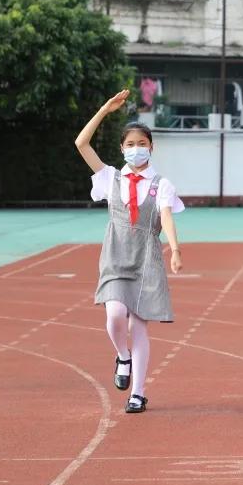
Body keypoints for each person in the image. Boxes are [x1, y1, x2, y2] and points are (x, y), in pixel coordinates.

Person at [74, 89, 184, 414]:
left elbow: (165, 214)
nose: (137, 149)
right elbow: (81, 144)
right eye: (131, 144)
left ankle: (138, 393)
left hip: (147, 258)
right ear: (122, 148)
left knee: (139, 324)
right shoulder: (110, 177)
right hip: (116, 254)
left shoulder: (161, 184)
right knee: (114, 317)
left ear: (152, 147)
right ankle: (122, 356)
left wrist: (175, 248)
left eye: (142, 144)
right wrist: (105, 110)